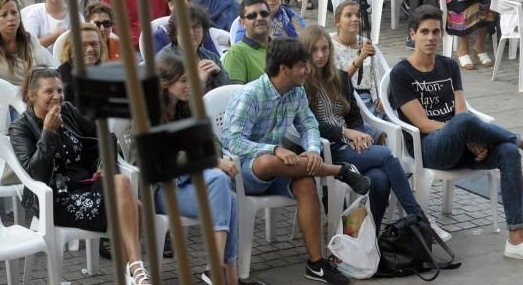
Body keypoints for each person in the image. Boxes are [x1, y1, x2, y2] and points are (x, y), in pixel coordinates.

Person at [388, 5, 523, 264]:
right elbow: (422, 123)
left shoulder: (448, 65)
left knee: (507, 153)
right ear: (412, 34)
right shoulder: (401, 73)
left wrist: (466, 136)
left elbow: (460, 110)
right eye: (424, 32)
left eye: (436, 31)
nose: (431, 37)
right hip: (429, 149)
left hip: (461, 142)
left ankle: (517, 239)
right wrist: (462, 131)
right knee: (466, 122)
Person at [222, 37, 371, 284]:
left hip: (285, 169)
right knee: (267, 161)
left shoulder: (297, 92)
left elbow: (309, 124)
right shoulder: (249, 96)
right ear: (284, 68)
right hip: (245, 173)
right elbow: (232, 142)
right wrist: (274, 149)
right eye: (302, 65)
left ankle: (316, 264)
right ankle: (338, 171)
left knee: (306, 183)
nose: (308, 70)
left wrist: (312, 149)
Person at [9, 68, 153, 285]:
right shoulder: (20, 128)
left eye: (59, 90)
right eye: (49, 91)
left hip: (86, 186)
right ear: (31, 95)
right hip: (54, 198)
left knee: (122, 182)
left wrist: (106, 164)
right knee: (136, 207)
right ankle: (134, 270)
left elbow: (104, 136)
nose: (57, 96)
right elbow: (35, 174)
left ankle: (133, 269)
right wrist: (48, 132)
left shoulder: (66, 110)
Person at [301, 25, 437, 232]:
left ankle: (363, 235)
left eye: (324, 49)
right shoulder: (301, 84)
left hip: (349, 143)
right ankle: (418, 216)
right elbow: (308, 125)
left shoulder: (341, 77)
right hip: (324, 149)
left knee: (380, 180)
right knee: (387, 156)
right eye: (314, 50)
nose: (320, 55)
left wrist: (358, 136)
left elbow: (354, 117)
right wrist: (345, 133)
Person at [154, 53, 243, 284]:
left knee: (228, 195)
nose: (189, 85)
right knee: (220, 183)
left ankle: (223, 275)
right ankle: (221, 273)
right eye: (183, 81)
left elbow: (213, 143)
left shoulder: (189, 107)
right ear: (165, 83)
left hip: (193, 183)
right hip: (162, 190)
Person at [0, 0, 55, 85]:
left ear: (19, 17)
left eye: (14, 13)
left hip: (32, 95)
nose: (11, 18)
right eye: (4, 15)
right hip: (3, 96)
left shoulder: (31, 40)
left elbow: (43, 74)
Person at [159, 6, 230, 91]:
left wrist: (219, 73)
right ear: (175, 32)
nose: (191, 32)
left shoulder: (210, 57)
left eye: (196, 27)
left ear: (204, 31)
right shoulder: (164, 60)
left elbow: (227, 92)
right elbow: (168, 100)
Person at [223, 0, 272, 84]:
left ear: (270, 17)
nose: (259, 18)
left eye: (264, 13)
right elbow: (237, 94)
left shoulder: (280, 47)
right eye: (251, 16)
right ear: (242, 23)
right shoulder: (237, 52)